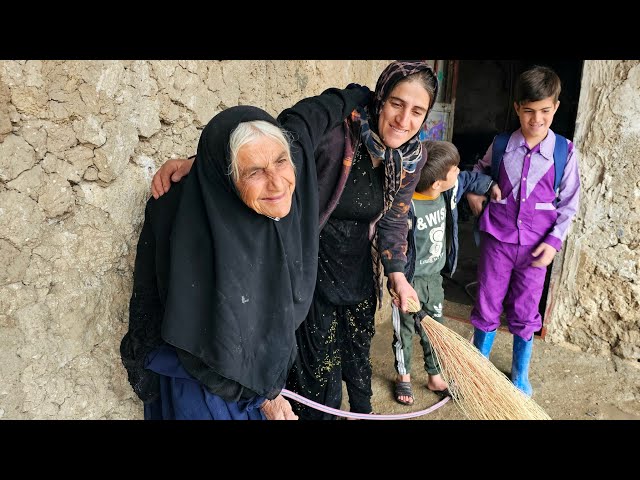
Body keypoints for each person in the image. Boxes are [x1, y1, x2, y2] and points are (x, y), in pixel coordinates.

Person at [150, 61, 439, 419]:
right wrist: (202, 164)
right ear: (380, 99)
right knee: (317, 382)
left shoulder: (411, 158)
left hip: (358, 276)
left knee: (358, 371)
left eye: (417, 111)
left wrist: (397, 274)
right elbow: (274, 145)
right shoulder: (337, 138)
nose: (404, 120)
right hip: (311, 273)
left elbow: (394, 218)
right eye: (397, 103)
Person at [119, 83, 371, 419]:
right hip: (203, 383)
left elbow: (311, 115)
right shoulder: (204, 239)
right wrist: (265, 397)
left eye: (282, 161)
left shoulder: (288, 166)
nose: (277, 183)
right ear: (224, 176)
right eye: (254, 172)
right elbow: (214, 346)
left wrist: (363, 94)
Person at [465, 65, 581, 397]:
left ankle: (519, 374)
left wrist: (555, 242)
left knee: (526, 310)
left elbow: (569, 203)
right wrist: (475, 192)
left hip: (536, 249)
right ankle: (478, 368)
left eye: (545, 110)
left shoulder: (565, 153)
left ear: (556, 107)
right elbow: (479, 171)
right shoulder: (501, 145)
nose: (536, 119)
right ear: (517, 107)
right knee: (487, 303)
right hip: (497, 242)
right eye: (528, 110)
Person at [392, 140, 495, 405]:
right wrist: (396, 281)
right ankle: (403, 377)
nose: (459, 171)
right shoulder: (406, 207)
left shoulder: (449, 190)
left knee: (436, 327)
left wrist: (489, 186)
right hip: (409, 280)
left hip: (434, 278)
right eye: (454, 169)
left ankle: (434, 375)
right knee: (404, 330)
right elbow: (393, 245)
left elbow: (471, 178)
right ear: (437, 182)